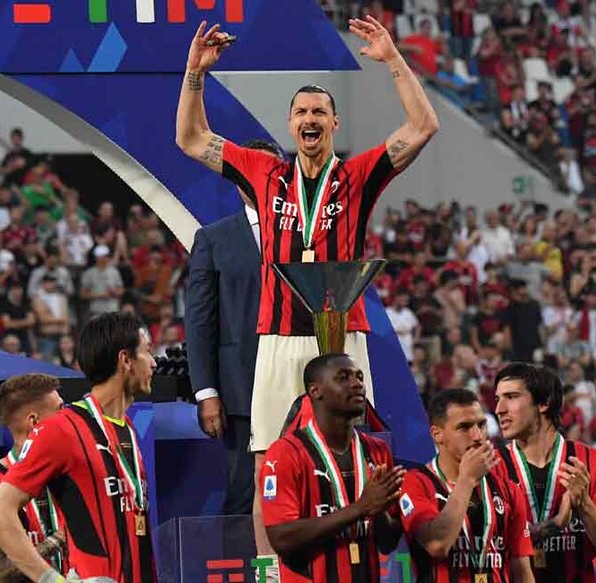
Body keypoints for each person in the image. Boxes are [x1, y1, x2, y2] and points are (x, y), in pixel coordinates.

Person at [176, 15, 439, 565]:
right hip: (277, 336)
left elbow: (422, 127)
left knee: (354, 451)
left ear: (335, 123)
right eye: (301, 112)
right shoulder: (264, 172)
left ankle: (357, 559)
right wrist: (196, 74)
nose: (310, 118)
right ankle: (271, 572)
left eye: (320, 111)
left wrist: (392, 60)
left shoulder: (358, 175)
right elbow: (190, 138)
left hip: (342, 338)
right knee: (266, 455)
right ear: (290, 125)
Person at [0, 312, 157, 582]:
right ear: (125, 360)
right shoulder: (61, 429)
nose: (154, 363)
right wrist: (51, 580)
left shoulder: (128, 428)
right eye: (147, 352)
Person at [186, 139, 283, 517]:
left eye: (271, 171)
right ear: (236, 177)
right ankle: (251, 572)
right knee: (247, 492)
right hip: (242, 392)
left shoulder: (309, 235)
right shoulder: (213, 238)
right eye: (251, 170)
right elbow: (199, 320)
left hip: (302, 387)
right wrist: (207, 391)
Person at [259, 353, 404, 582]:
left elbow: (388, 543)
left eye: (359, 377)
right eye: (343, 378)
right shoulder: (285, 453)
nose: (357, 384)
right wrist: (360, 508)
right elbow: (281, 538)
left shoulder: (378, 451)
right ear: (315, 391)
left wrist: (380, 511)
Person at [492, 362, 596, 581]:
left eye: (512, 397)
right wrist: (554, 525)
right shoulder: (490, 468)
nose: (499, 409)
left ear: (544, 403)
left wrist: (584, 504)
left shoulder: (593, 462)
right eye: (498, 399)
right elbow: (488, 551)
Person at [399, 388, 536, 582]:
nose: (478, 436)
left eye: (481, 425)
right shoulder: (416, 483)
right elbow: (438, 544)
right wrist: (466, 480)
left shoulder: (508, 490)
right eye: (464, 427)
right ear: (437, 434)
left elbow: (521, 569)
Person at [0, 373, 66, 582]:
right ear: (34, 421)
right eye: (60, 410)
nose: (68, 419)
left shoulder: (70, 471)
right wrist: (60, 539)